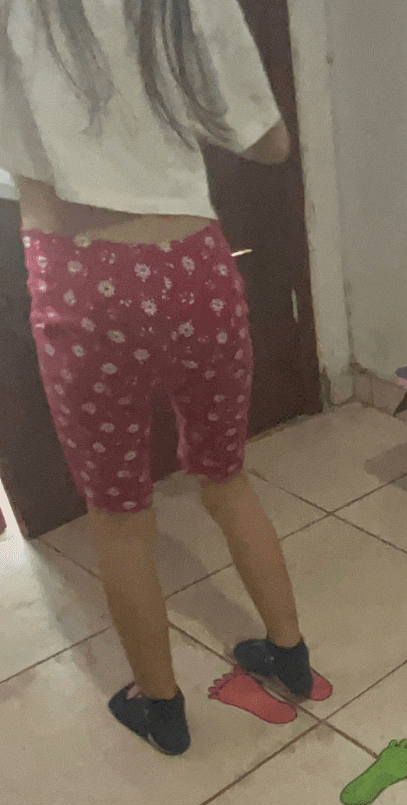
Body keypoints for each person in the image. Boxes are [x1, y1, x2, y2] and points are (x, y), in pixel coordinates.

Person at [0, 0, 315, 756]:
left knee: (119, 514)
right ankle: (291, 657)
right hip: (194, 265)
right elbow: (270, 142)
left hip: (81, 279)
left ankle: (162, 707)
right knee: (227, 479)